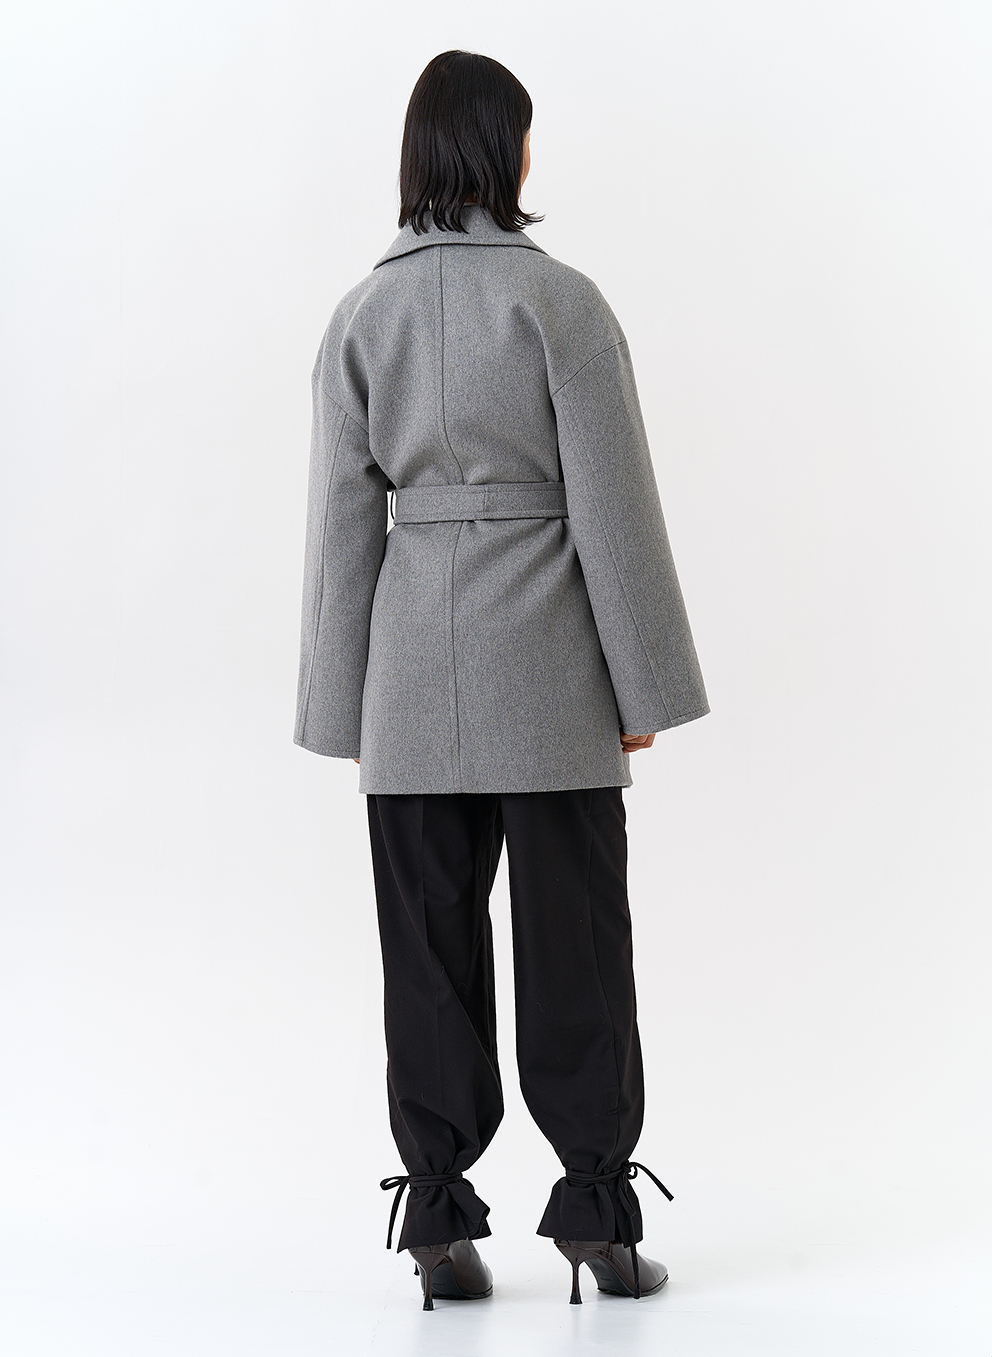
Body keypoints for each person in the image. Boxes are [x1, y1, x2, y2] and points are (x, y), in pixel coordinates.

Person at [294, 49, 710, 1310]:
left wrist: (340, 706)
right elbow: (613, 510)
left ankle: (435, 1218)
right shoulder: (559, 303)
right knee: (575, 942)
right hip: (548, 667)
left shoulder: (359, 316)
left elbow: (339, 528)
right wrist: (639, 689)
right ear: (505, 150)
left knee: (425, 952)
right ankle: (596, 1215)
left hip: (411, 676)